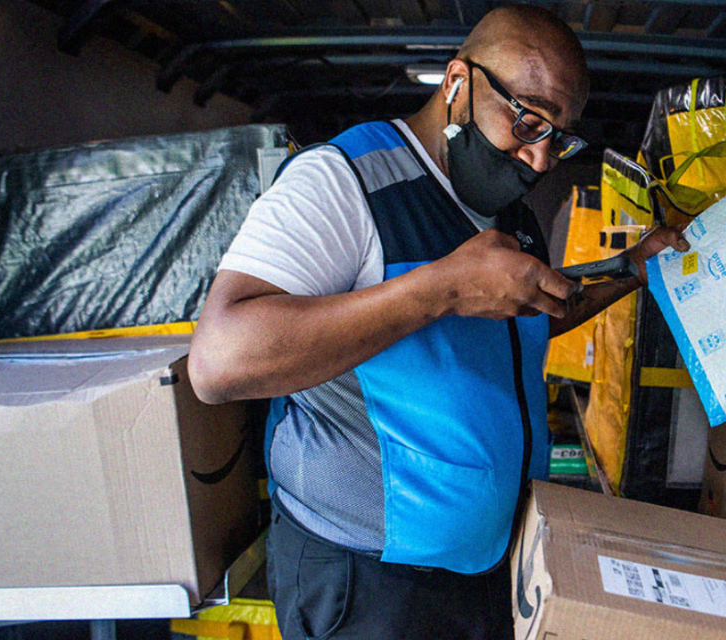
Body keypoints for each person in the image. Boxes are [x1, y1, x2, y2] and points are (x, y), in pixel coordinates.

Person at [189, 4, 690, 638]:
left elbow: (523, 322)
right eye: (528, 120)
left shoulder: (506, 212)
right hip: (370, 579)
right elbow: (219, 363)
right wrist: (442, 289)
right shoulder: (343, 182)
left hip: (486, 565)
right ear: (457, 82)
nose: (540, 162)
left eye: (557, 139)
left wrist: (631, 273)